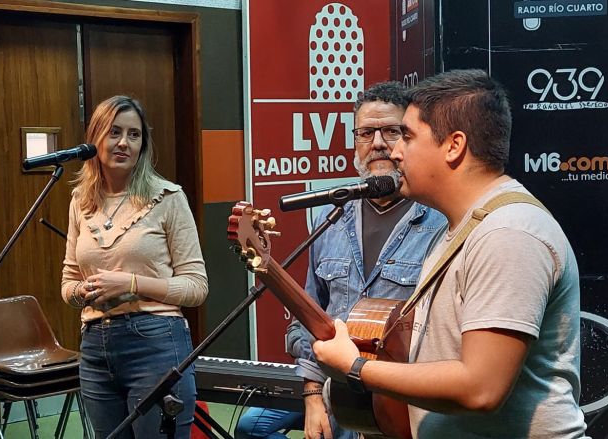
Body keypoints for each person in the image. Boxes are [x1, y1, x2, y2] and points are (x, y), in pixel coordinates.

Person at [313, 69, 588, 438]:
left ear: (453, 146)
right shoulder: (459, 228)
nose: (393, 152)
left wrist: (356, 367)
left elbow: (480, 389)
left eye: (406, 137)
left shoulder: (508, 233)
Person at [236, 82, 446, 439]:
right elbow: (308, 314)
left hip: (396, 391)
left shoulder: (438, 220)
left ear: (409, 140)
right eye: (366, 133)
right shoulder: (332, 218)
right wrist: (313, 394)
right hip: (330, 383)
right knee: (250, 427)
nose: (377, 143)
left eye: (391, 131)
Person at [61, 95, 208, 439]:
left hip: (156, 341)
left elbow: (196, 287)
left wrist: (131, 283)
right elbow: (68, 282)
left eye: (134, 135)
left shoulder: (169, 198)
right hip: (95, 347)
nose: (124, 142)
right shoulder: (80, 202)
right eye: (114, 132)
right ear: (95, 137)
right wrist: (83, 291)